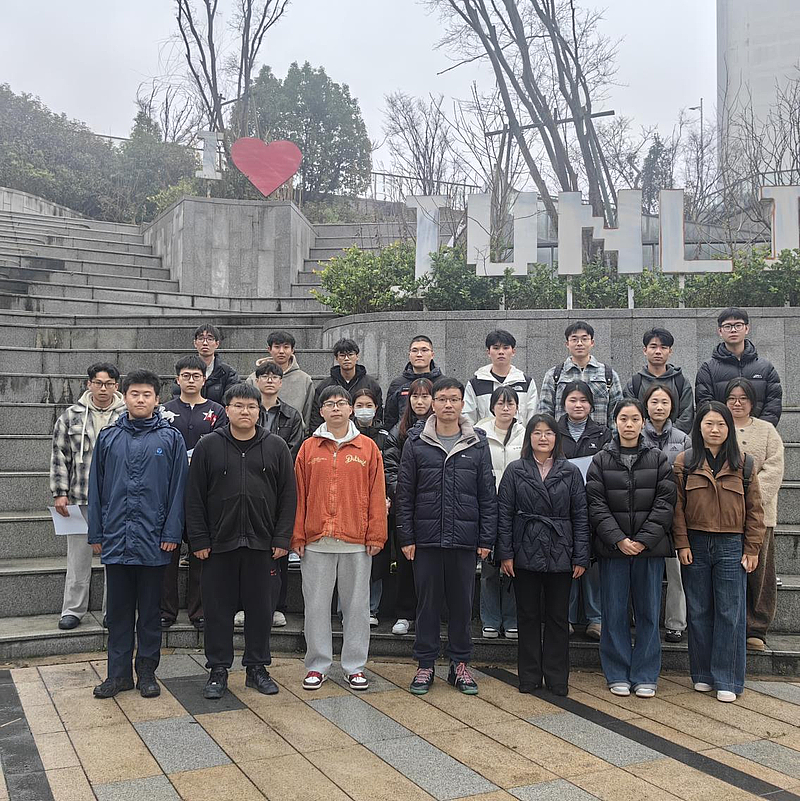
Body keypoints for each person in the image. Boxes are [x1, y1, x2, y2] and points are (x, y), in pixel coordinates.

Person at [186, 383, 297, 700]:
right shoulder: (208, 445)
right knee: (217, 611)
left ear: (259, 411)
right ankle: (218, 669)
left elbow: (288, 497)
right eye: (238, 405)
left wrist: (282, 537)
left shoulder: (276, 446)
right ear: (227, 410)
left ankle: (257, 668)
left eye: (251, 406)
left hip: (263, 545)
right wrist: (199, 540)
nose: (245, 411)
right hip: (218, 545)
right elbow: (193, 497)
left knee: (261, 610)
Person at [88, 370, 188, 699]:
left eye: (147, 394)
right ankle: (117, 675)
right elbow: (96, 488)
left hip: (155, 540)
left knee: (150, 613)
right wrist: (97, 532)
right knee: (118, 613)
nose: (140, 399)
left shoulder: (170, 438)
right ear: (125, 396)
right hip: (117, 537)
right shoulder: (109, 437)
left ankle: (146, 671)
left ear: (157, 399)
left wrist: (172, 531)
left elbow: (179, 490)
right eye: (135, 393)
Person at [396, 377, 497, 696]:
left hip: (464, 539)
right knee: (426, 605)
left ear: (462, 403)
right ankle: (425, 664)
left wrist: (486, 539)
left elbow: (487, 494)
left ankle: (460, 664)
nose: (448, 405)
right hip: (426, 539)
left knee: (461, 605)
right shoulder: (416, 442)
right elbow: (405, 494)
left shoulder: (476, 443)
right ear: (433, 404)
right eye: (442, 399)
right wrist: (406, 537)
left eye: (454, 399)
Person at [292, 386, 387, 691]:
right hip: (316, 540)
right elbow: (298, 495)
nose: (336, 408)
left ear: (350, 409)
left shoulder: (367, 448)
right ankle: (317, 665)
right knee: (316, 607)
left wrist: (376, 534)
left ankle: (354, 666)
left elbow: (377, 493)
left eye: (341, 403)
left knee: (357, 608)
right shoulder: (308, 448)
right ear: (321, 411)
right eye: (329, 404)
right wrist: (297, 534)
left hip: (355, 540)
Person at [673, 401, 766, 703]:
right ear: (699, 427)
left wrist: (752, 548)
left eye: (721, 424)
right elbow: (676, 509)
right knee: (699, 610)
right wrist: (682, 543)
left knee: (730, 613)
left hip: (731, 545)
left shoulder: (744, 464)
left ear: (730, 428)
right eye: (709, 423)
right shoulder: (685, 462)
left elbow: (756, 511)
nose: (715, 430)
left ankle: (727, 678)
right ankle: (702, 673)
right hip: (696, 544)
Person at [586, 398, 676, 699]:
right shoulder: (600, 460)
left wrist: (643, 540)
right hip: (614, 550)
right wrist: (619, 539)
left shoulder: (658, 459)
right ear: (615, 422)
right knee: (614, 612)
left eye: (635, 419)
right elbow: (596, 504)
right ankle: (617, 672)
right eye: (623, 419)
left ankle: (646, 674)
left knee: (648, 612)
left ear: (643, 423)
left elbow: (665, 503)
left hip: (649, 550)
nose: (629, 424)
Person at [497, 414, 590, 696]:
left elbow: (581, 516)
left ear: (556, 438)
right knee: (527, 615)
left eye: (549, 432)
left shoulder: (570, 471)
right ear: (529, 437)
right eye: (537, 432)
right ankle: (529, 675)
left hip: (560, 550)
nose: (543, 438)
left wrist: (581, 556)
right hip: (524, 548)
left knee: (558, 617)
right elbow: (504, 514)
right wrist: (505, 553)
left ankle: (557, 676)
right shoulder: (515, 470)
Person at [50, 363, 125, 630]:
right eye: (98, 383)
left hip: (117, 499)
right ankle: (72, 610)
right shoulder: (71, 416)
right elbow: (59, 456)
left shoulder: (127, 415)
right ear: (88, 384)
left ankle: (113, 611)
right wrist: (60, 492)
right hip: (80, 496)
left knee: (114, 558)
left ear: (117, 386)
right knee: (78, 558)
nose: (103, 388)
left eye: (109, 383)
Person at [161, 355, 227, 631]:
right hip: (169, 490)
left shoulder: (216, 410)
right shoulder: (163, 411)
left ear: (204, 379)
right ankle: (166, 610)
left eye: (196, 376)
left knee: (202, 551)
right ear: (177, 379)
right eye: (186, 376)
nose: (190, 380)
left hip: (204, 491)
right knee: (167, 551)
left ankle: (199, 610)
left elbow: (221, 445)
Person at [724, 378, 784, 653]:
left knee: (760, 571)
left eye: (743, 398)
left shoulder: (767, 430)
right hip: (724, 513)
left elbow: (774, 469)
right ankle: (731, 623)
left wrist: (752, 498)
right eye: (732, 398)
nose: (737, 403)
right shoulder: (719, 426)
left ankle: (756, 626)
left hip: (761, 514)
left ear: (752, 402)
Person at [558, 380, 611, 641]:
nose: (578, 405)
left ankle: (596, 618)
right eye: (573, 400)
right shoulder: (554, 431)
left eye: (583, 400)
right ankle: (565, 617)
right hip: (561, 507)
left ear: (591, 405)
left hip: (593, 505)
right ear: (564, 403)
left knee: (592, 564)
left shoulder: (602, 434)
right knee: (565, 563)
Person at [382, 378, 434, 636]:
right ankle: (404, 613)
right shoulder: (398, 431)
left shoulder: (442, 428)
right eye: (415, 396)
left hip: (434, 506)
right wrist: (404, 495)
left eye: (425, 396)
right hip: (406, 506)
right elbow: (390, 468)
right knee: (405, 560)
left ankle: (430, 614)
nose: (420, 401)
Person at [476, 386, 525, 640]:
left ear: (517, 407)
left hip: (518, 508)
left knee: (513, 566)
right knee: (489, 568)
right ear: (492, 407)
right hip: (488, 506)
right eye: (500, 403)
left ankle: (512, 619)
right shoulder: (479, 434)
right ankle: (491, 620)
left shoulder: (525, 434)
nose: (505, 408)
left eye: (510, 403)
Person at [642, 384, 689, 644]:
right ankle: (638, 617)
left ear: (672, 407)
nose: (659, 407)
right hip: (641, 513)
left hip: (673, 513)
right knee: (641, 572)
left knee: (676, 573)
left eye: (664, 402)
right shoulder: (635, 434)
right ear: (646, 405)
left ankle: (675, 623)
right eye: (654, 402)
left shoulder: (683, 439)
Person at [695, 307, 782, 425]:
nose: (733, 330)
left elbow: (773, 404)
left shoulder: (766, 367)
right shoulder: (708, 368)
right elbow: (704, 404)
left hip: (758, 432)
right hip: (722, 432)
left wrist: (758, 429)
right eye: (727, 326)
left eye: (738, 325)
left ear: (747, 329)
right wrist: (724, 429)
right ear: (720, 331)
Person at [351, 388, 391, 627]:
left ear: (376, 408)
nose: (364, 410)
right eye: (359, 405)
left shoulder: (385, 437)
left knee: (376, 559)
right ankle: (347, 611)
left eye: (369, 405)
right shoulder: (347, 434)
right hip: (351, 504)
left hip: (378, 503)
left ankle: (372, 609)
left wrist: (385, 497)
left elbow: (389, 469)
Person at [538, 321, 623, 428]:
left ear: (592, 342)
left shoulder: (608, 374)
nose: (579, 343)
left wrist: (612, 437)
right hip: (563, 436)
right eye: (574, 339)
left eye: (584, 339)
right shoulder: (554, 375)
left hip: (600, 436)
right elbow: (545, 411)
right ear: (567, 344)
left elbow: (616, 412)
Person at [625, 328, 694, 433]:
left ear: (670, 351)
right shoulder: (634, 383)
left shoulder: (681, 381)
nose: (658, 352)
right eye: (653, 347)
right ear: (645, 350)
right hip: (642, 440)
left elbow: (686, 417)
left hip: (675, 440)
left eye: (663, 347)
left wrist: (669, 435)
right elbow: (629, 416)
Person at [464, 329, 537, 425]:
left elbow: (532, 417)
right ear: (488, 352)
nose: (501, 352)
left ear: (513, 351)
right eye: (496, 348)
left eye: (506, 348)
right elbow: (468, 418)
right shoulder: (475, 384)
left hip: (518, 434)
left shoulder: (526, 382)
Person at [249, 331, 315, 436]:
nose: (281, 351)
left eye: (286, 347)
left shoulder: (304, 379)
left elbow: (308, 413)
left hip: (294, 435)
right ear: (269, 349)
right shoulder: (253, 379)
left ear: (292, 350)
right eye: (277, 347)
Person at [310, 339, 383, 431]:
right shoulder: (324, 386)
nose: (346, 359)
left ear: (357, 356)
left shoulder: (371, 384)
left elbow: (378, 415)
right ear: (336, 358)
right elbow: (316, 416)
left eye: (350, 354)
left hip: (364, 434)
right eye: (342, 355)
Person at [384, 335, 442, 430]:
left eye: (424, 350)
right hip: (404, 435)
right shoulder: (398, 384)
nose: (419, 354)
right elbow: (390, 418)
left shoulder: (442, 383)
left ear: (432, 355)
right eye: (414, 351)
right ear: (409, 355)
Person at [172, 323, 240, 404]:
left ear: (217, 344)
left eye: (210, 339)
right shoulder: (185, 370)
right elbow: (177, 396)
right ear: (195, 343)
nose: (205, 343)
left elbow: (231, 401)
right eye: (201, 338)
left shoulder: (228, 373)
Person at [254, 362, 304, 460]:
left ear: (280, 382)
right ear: (257, 381)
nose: (269, 381)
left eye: (274, 377)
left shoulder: (292, 415)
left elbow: (294, 450)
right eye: (265, 376)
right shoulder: (249, 412)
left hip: (280, 465)